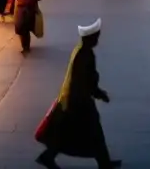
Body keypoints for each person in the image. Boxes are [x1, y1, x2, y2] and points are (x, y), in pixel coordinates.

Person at [35, 19, 121, 169]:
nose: (97, 40)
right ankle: (103, 162)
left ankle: (49, 156)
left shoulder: (80, 50)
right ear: (90, 38)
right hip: (78, 101)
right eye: (96, 37)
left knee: (69, 133)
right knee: (92, 131)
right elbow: (86, 79)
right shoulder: (85, 54)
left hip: (72, 99)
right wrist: (99, 93)